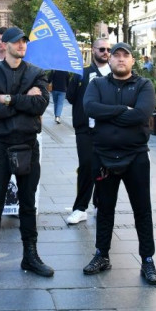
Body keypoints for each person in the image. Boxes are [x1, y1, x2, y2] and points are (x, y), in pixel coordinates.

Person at [0, 26, 53, 281]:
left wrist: (7, 99)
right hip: (0, 145)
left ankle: (30, 256)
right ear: (4, 44)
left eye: (24, 42)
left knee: (28, 203)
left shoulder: (37, 72)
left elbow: (40, 103)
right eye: (16, 42)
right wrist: (22, 101)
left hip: (28, 144)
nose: (21, 45)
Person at [82, 42, 156, 285]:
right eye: (116, 56)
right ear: (110, 61)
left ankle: (147, 259)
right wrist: (121, 110)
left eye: (125, 56)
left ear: (133, 61)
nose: (120, 59)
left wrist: (109, 114)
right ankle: (101, 254)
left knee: (142, 209)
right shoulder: (97, 84)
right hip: (103, 155)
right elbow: (90, 108)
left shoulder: (144, 85)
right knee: (104, 208)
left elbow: (140, 114)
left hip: (135, 155)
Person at [64, 38, 112, 225]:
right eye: (102, 49)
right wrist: (75, 78)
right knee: (86, 165)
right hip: (85, 128)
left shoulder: (114, 74)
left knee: (105, 167)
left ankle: (100, 204)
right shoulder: (82, 73)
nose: (105, 52)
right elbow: (70, 97)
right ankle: (80, 208)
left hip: (107, 128)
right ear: (93, 50)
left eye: (108, 49)